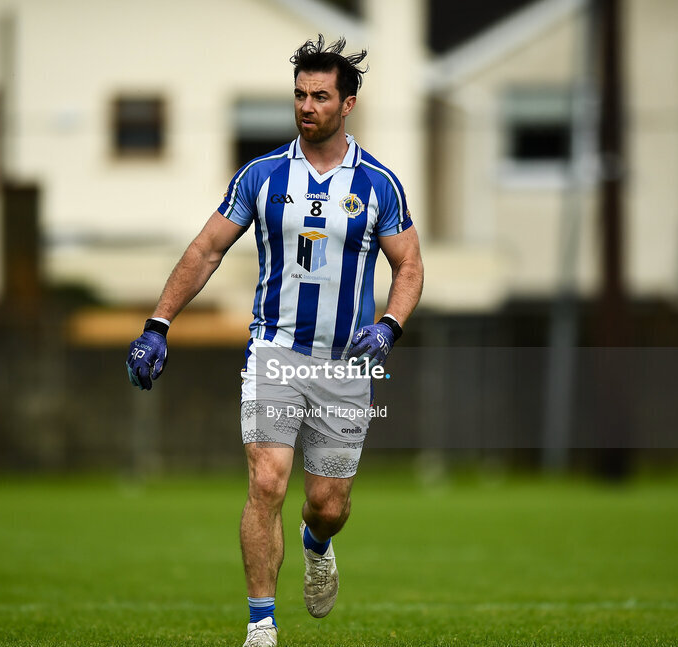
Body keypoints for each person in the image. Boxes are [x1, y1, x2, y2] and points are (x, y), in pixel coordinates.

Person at [126, 34, 423, 647]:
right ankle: (261, 625)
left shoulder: (380, 185)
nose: (306, 105)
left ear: (348, 104)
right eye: (299, 95)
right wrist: (158, 324)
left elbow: (411, 267)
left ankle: (318, 544)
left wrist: (388, 326)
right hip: (275, 352)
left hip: (346, 364)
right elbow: (207, 249)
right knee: (267, 480)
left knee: (328, 504)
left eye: (320, 96)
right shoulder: (260, 176)